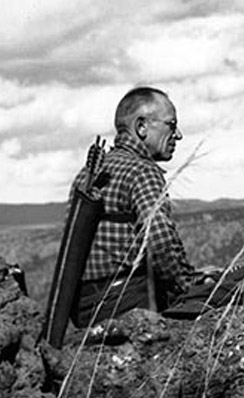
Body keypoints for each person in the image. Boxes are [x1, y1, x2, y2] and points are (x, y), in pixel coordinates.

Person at [69, 86, 200, 327]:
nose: (178, 135)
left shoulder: (85, 175)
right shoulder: (143, 171)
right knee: (222, 297)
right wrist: (189, 285)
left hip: (84, 309)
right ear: (141, 127)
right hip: (128, 303)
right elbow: (161, 243)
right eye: (171, 125)